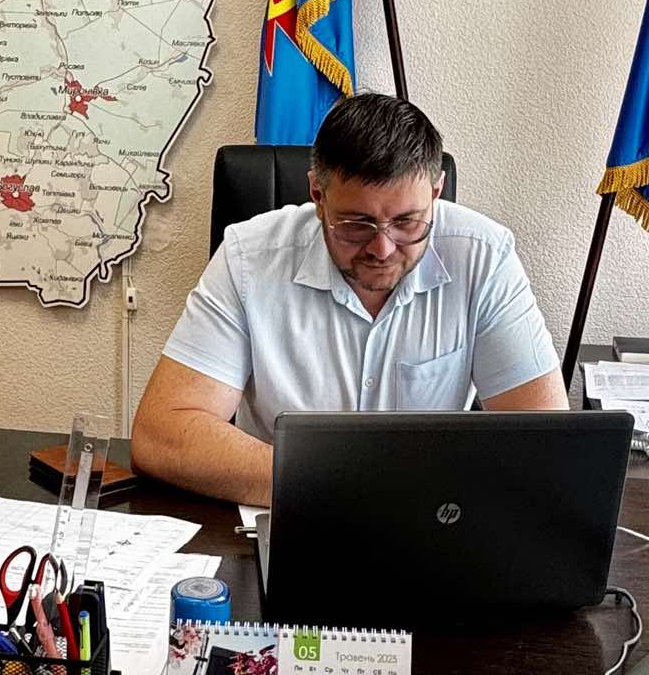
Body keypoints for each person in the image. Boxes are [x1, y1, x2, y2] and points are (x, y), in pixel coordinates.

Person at [132, 94, 566, 505]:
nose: (382, 248)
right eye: (357, 224)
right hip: (286, 512)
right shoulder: (249, 257)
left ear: (435, 194)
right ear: (317, 197)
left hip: (429, 521)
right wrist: (343, 488)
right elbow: (162, 433)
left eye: (407, 222)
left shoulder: (484, 256)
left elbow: (548, 444)